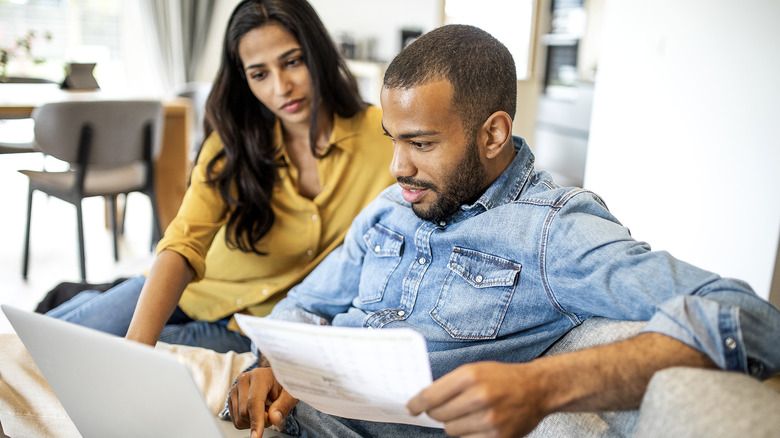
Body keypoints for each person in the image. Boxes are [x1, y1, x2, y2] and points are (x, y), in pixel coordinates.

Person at [225, 24, 780, 437]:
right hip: (288, 416)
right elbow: (304, 305)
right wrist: (267, 365)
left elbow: (750, 317)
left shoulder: (552, 231)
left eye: (421, 143)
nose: (397, 167)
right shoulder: (392, 208)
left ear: (493, 135)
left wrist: (542, 386)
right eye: (393, 139)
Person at [44, 0, 395, 353]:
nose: (281, 87)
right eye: (259, 74)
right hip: (189, 290)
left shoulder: (386, 137)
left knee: (90, 355)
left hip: (253, 325)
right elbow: (183, 242)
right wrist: (137, 346)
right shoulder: (233, 142)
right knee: (43, 345)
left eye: (293, 62)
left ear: (318, 53)